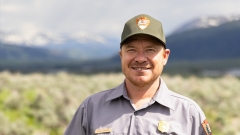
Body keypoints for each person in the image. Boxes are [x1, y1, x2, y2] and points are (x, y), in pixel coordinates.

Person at [64, 14, 212, 135]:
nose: (140, 58)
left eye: (150, 50)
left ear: (165, 56)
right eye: (131, 49)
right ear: (121, 55)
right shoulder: (91, 108)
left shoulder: (189, 113)